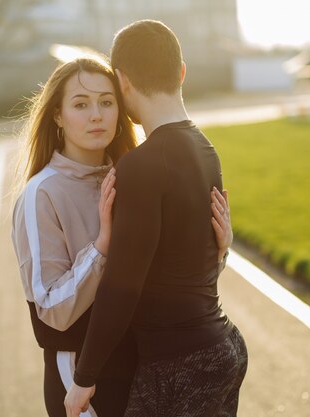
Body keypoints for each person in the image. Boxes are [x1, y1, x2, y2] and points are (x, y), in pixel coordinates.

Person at [12, 55, 233, 417]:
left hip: (142, 367)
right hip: (82, 374)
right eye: (81, 105)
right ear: (57, 116)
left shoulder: (133, 172)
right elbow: (51, 309)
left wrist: (218, 251)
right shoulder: (43, 193)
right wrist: (102, 247)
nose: (96, 114)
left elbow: (163, 278)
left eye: (106, 101)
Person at [65, 20, 248, 417]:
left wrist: (83, 376)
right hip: (222, 348)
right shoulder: (205, 148)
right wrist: (225, 250)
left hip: (181, 363)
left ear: (122, 81)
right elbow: (188, 259)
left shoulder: (142, 166)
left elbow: (122, 283)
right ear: (181, 72)